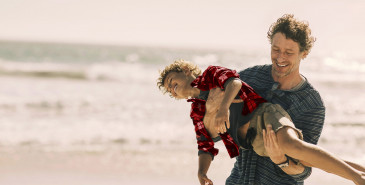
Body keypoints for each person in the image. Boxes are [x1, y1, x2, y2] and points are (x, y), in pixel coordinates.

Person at [156, 59, 365, 185]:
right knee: (305, 159)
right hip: (252, 139)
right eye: (169, 90)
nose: (172, 89)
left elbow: (234, 82)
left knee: (293, 146)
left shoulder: (211, 74)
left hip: (261, 114)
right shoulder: (196, 112)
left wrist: (222, 109)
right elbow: (205, 144)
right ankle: (360, 171)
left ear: (185, 70)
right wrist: (202, 171)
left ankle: (357, 179)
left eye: (172, 82)